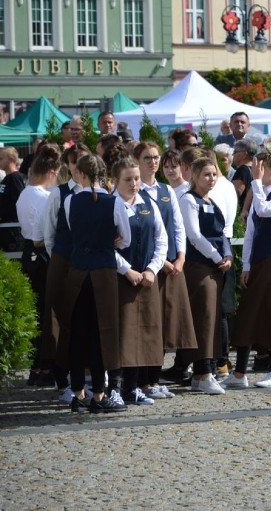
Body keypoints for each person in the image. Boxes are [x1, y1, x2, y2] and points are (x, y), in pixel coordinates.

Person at [59, 154, 131, 412]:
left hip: (78, 271)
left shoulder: (69, 201)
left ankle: (78, 391)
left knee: (77, 333)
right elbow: (126, 240)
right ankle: (99, 394)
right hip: (102, 271)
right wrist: (110, 241)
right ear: (103, 174)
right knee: (104, 332)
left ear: (80, 173)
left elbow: (72, 231)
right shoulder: (114, 203)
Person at [224, 151, 271, 388]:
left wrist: (255, 182)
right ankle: (239, 373)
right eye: (256, 167)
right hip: (258, 260)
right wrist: (246, 265)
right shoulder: (259, 191)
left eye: (262, 167)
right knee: (249, 313)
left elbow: (267, 210)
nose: (258, 171)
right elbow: (251, 233)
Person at [133, 142, 195, 398]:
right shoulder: (134, 191)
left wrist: (180, 257)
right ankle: (143, 380)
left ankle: (155, 377)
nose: (153, 162)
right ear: (137, 160)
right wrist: (164, 262)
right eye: (147, 157)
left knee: (166, 325)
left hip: (172, 268)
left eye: (156, 157)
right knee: (148, 325)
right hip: (150, 268)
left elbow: (178, 227)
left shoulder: (166, 189)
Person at [111, 157, 167, 405]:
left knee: (142, 334)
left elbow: (161, 239)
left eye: (136, 179)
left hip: (145, 279)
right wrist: (126, 270)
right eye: (128, 180)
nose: (134, 184)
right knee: (121, 334)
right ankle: (114, 387)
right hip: (120, 279)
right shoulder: (110, 205)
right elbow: (104, 245)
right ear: (115, 181)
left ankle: (132, 388)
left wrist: (153, 269)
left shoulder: (148, 203)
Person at [180, 158, 233, 394]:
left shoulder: (211, 200)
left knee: (212, 317)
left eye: (214, 175)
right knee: (204, 318)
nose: (211, 179)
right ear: (194, 176)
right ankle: (202, 371)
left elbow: (222, 233)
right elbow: (194, 235)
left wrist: (228, 255)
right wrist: (216, 257)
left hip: (216, 266)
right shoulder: (189, 200)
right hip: (199, 265)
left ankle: (207, 369)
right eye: (206, 175)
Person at [43, 144, 90, 399]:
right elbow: (48, 233)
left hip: (88, 266)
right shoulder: (58, 194)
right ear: (68, 166)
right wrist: (61, 258)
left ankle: (86, 378)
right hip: (63, 262)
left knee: (85, 321)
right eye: (75, 161)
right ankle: (63, 382)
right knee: (59, 322)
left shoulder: (99, 193)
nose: (79, 165)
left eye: (84, 160)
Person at [16, 144, 61, 386]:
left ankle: (38, 367)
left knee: (39, 313)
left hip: (30, 255)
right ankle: (45, 367)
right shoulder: (43, 196)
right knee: (46, 314)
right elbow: (40, 236)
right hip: (42, 255)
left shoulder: (26, 192)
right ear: (53, 171)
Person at [0, 147, 25, 250]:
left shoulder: (15, 178)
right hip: (6, 228)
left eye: (1, 158)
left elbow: (19, 203)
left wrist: (3, 215)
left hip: (12, 229)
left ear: (10, 158)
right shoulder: (7, 178)